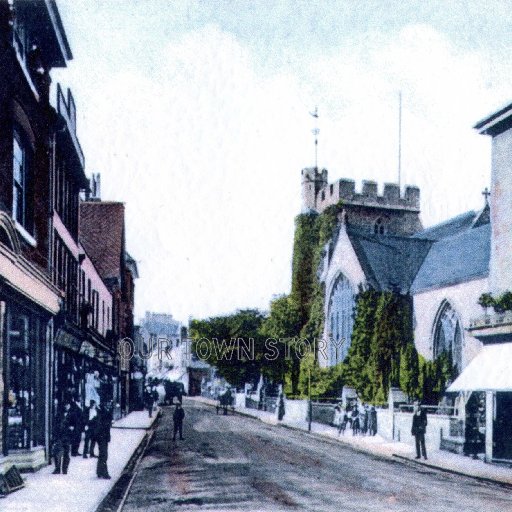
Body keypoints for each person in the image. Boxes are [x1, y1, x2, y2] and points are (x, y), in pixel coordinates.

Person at [52, 402, 77, 474]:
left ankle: (65, 469)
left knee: (66, 453)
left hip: (68, 436)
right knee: (57, 453)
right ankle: (57, 469)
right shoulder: (59, 414)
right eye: (65, 404)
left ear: (69, 405)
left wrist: (72, 428)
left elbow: (76, 424)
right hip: (60, 436)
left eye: (68, 404)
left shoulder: (73, 414)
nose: (66, 406)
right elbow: (56, 424)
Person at [96, 402, 113, 479]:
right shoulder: (102, 412)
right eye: (108, 404)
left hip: (103, 436)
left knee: (102, 454)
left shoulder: (105, 411)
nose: (109, 405)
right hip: (101, 436)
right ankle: (105, 473)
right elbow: (102, 424)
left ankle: (99, 471)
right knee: (104, 455)